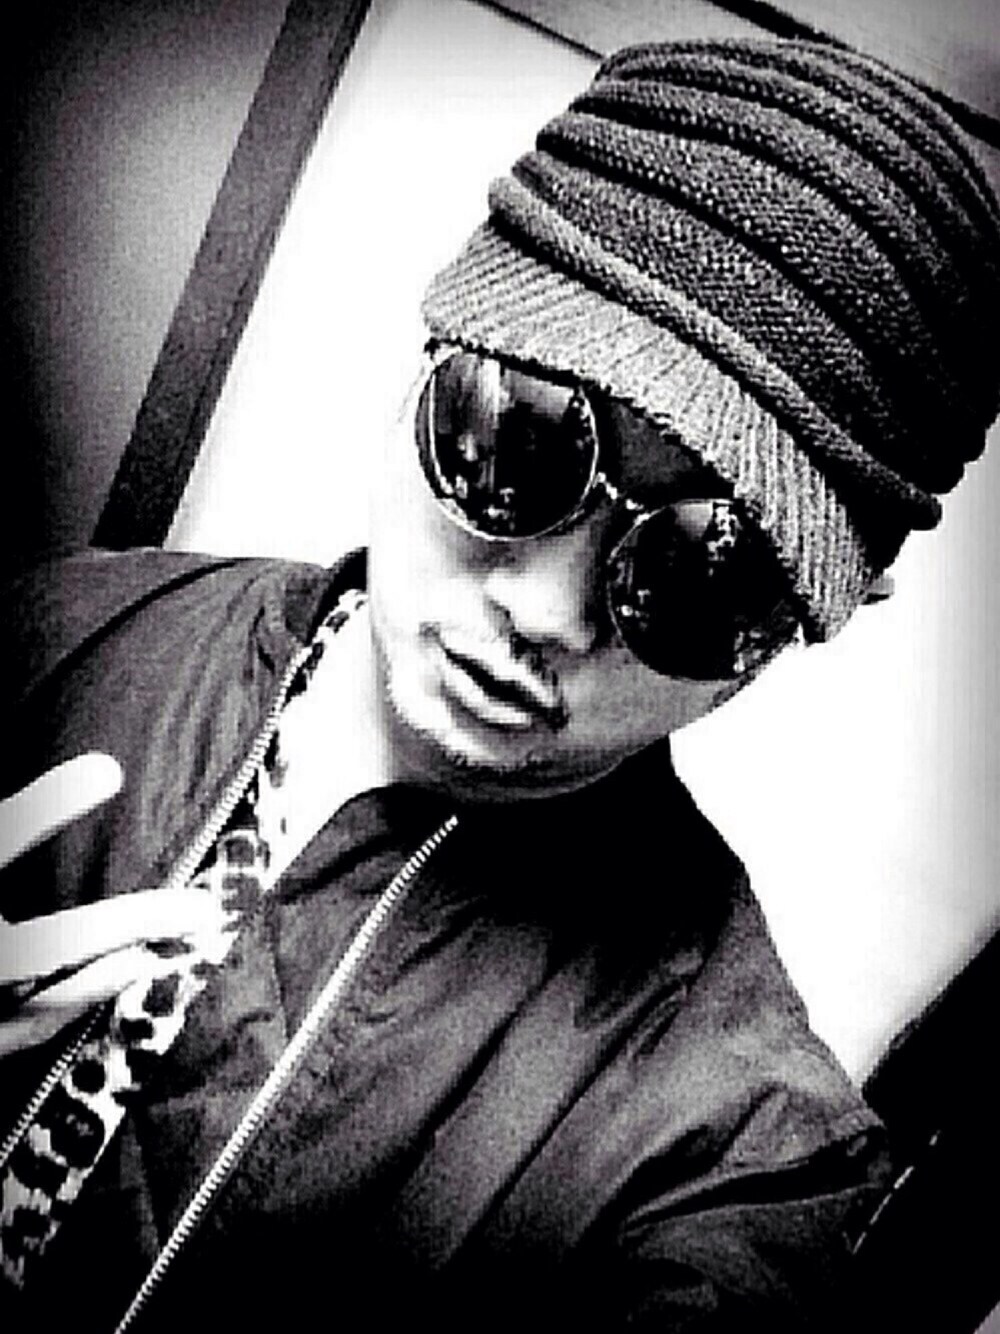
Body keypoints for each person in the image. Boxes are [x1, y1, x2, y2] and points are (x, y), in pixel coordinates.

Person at [1, 34, 998, 1332]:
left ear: (819, 620)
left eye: (700, 575)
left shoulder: (723, 1150)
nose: (543, 612)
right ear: (435, 336)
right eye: (518, 443)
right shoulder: (63, 630)